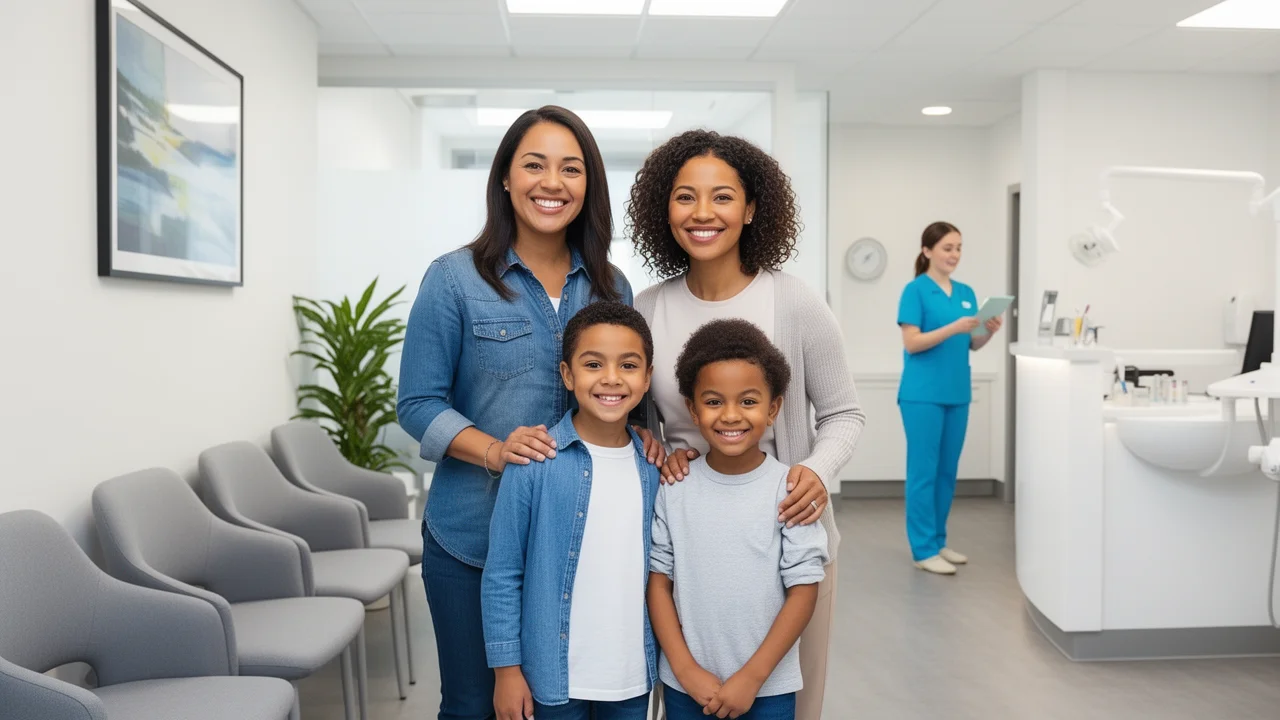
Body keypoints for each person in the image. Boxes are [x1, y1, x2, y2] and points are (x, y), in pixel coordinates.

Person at [397, 106, 664, 720]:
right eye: (534, 165)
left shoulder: (611, 286)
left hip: (580, 544)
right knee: (473, 705)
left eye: (571, 169)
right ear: (506, 178)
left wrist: (645, 436)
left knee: (555, 701)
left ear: (588, 185)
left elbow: (619, 391)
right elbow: (417, 404)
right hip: (472, 537)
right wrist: (493, 450)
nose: (552, 183)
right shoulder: (454, 279)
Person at [627, 130, 863, 719]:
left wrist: (814, 471)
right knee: (691, 696)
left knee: (789, 703)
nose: (702, 213)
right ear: (665, 210)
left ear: (752, 208)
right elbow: (634, 422)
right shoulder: (648, 309)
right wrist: (658, 449)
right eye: (685, 196)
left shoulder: (795, 303)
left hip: (787, 536)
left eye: (723, 197)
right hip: (692, 546)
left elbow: (844, 412)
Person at [483, 302, 661, 720]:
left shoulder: (655, 469)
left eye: (628, 365)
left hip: (631, 677)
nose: (611, 378)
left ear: (647, 377)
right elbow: (503, 574)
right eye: (593, 364)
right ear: (567, 374)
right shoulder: (533, 463)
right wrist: (506, 671)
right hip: (551, 679)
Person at [649, 318, 828, 720]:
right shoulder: (675, 488)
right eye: (714, 402)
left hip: (768, 688)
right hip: (686, 689)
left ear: (773, 408)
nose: (731, 415)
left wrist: (752, 677)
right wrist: (685, 670)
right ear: (693, 410)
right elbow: (658, 583)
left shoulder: (790, 490)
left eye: (748, 402)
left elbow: (804, 590)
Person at [896, 221, 1002, 576]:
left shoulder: (966, 292)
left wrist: (987, 332)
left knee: (946, 472)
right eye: (947, 248)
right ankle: (923, 549)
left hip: (957, 393)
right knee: (923, 473)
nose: (954, 254)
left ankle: (938, 541)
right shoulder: (915, 291)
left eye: (958, 248)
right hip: (922, 396)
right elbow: (912, 342)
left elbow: (971, 344)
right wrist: (953, 327)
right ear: (927, 251)